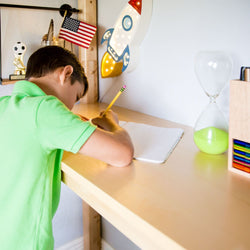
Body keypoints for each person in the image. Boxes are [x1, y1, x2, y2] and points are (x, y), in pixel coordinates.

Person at [0, 45, 134, 250]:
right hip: (28, 243)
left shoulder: (6, 104)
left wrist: (72, 122)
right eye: (76, 96)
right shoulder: (44, 109)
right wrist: (112, 123)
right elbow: (122, 153)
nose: (71, 107)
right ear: (66, 73)